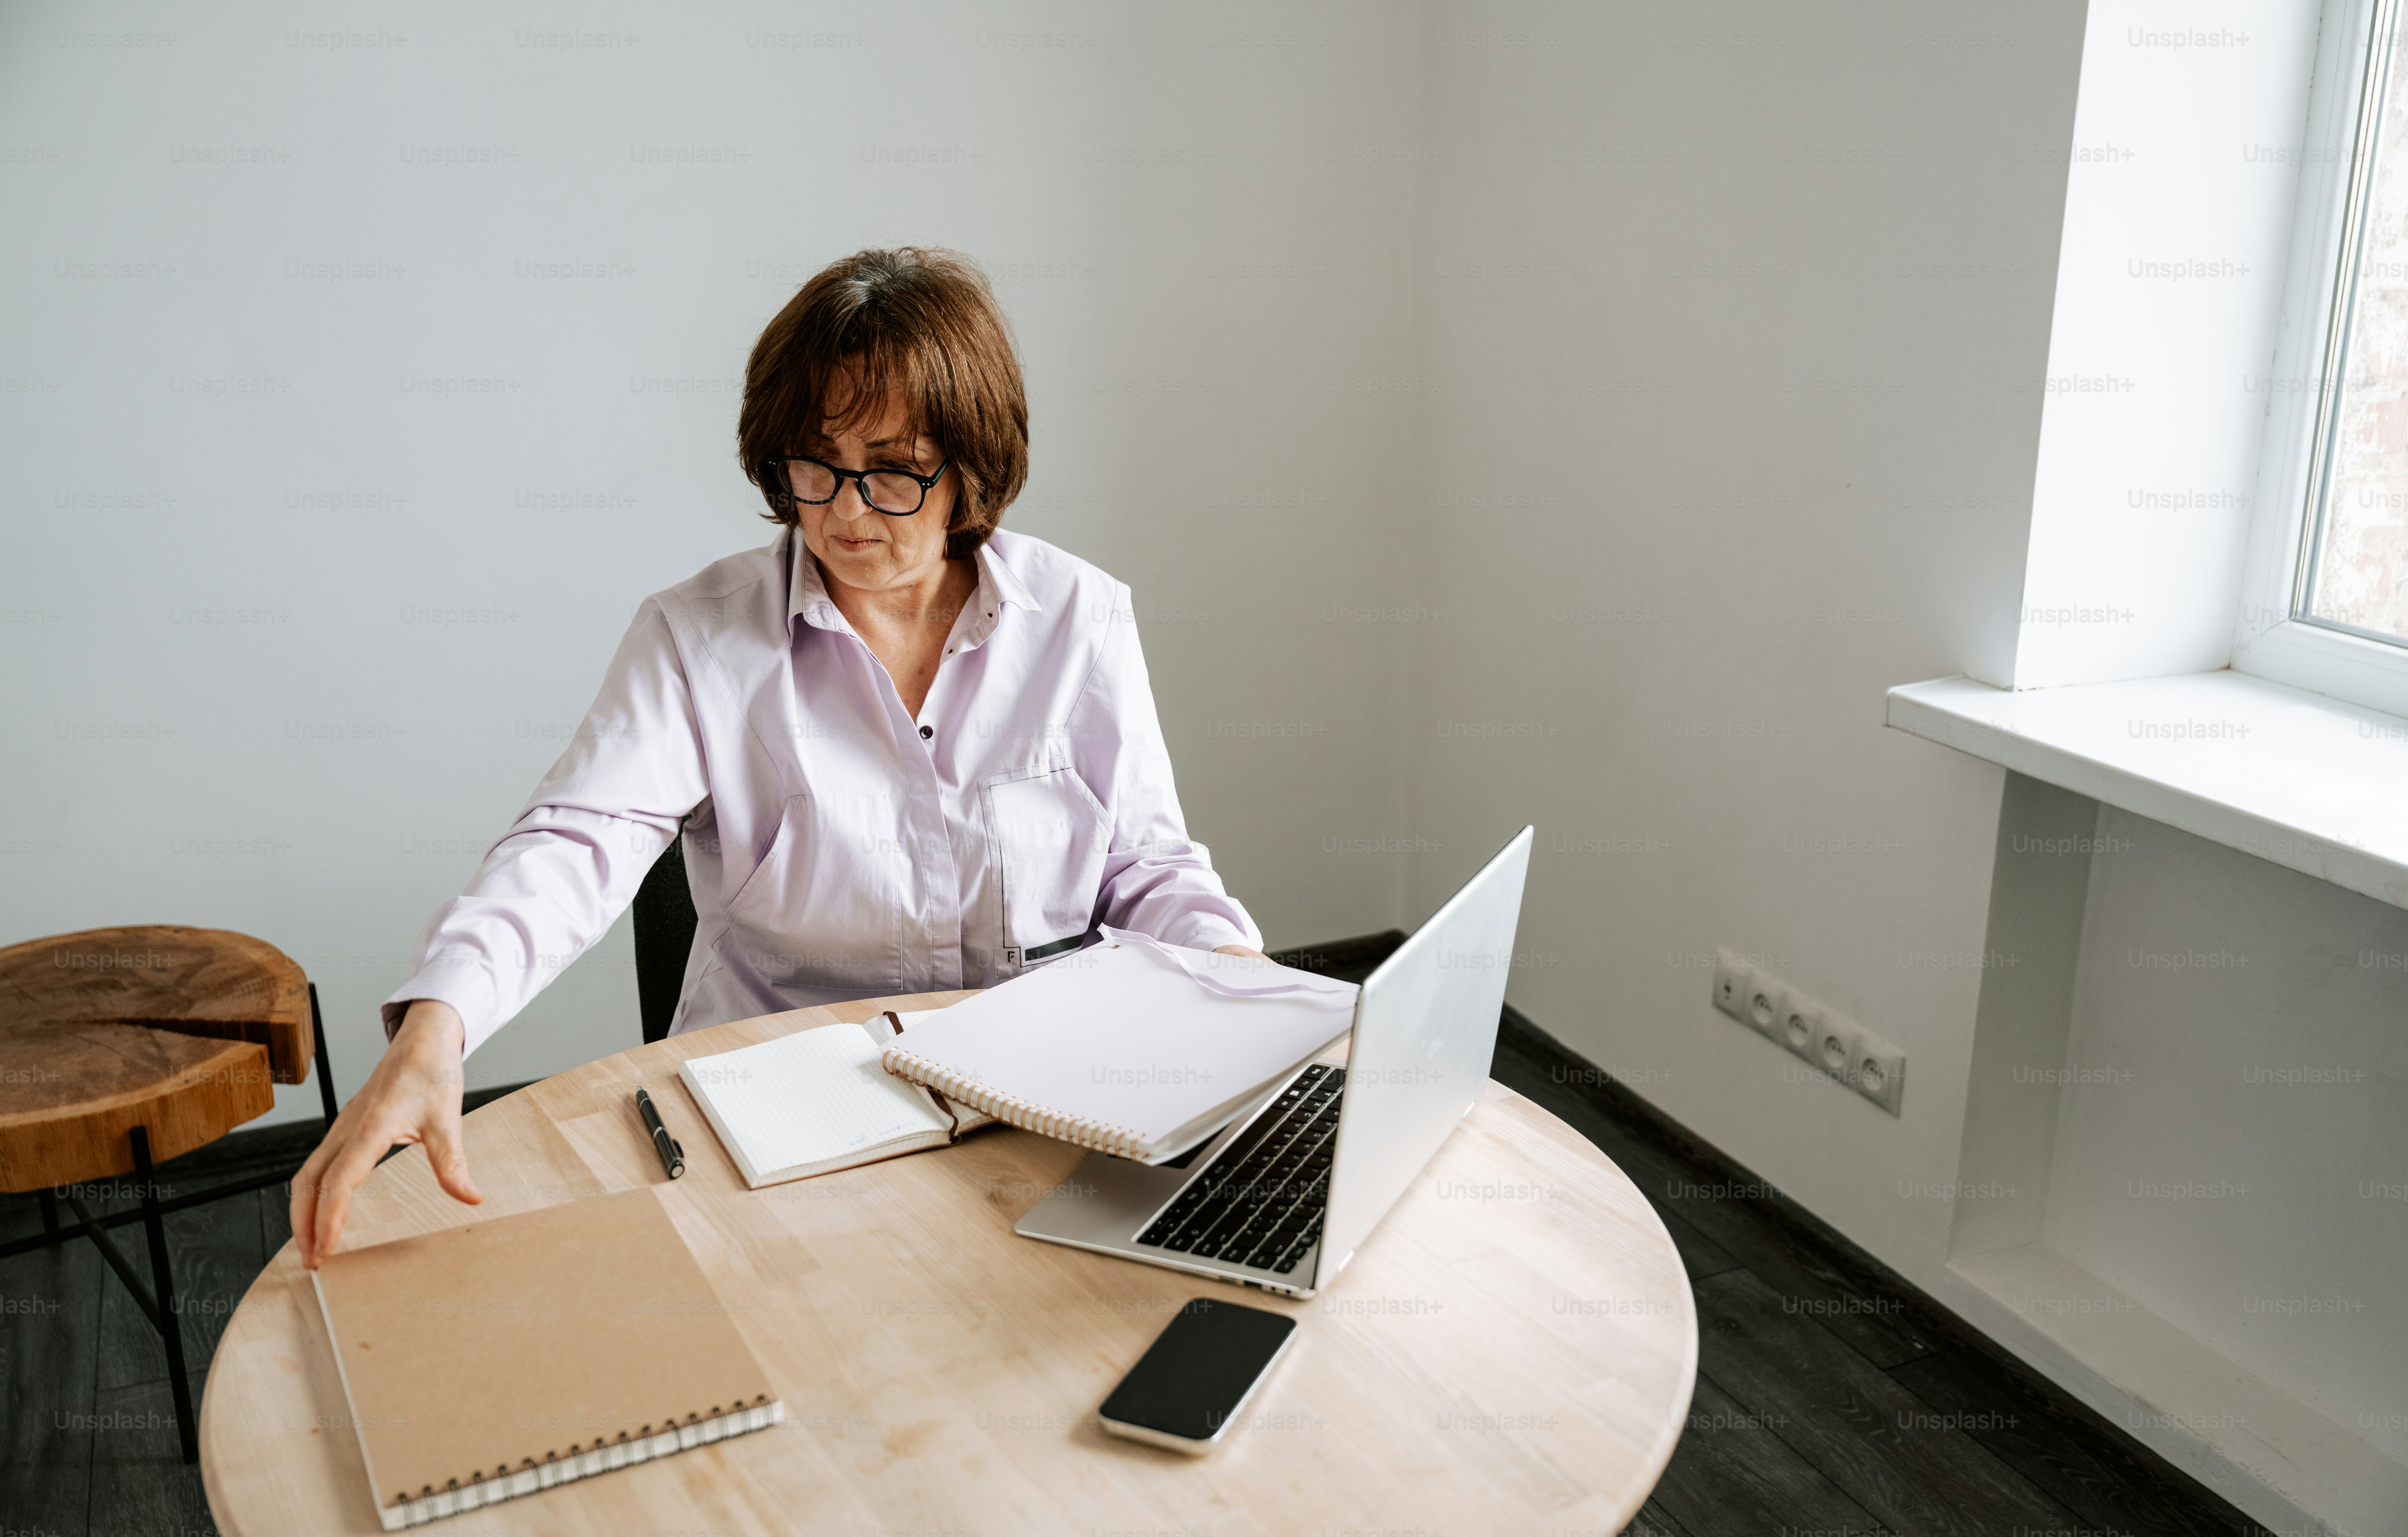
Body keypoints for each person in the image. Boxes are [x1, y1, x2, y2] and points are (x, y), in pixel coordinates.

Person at [292, 248, 1267, 1265]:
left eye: (892, 470)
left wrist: (1244, 988)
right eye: (817, 465)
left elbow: (1145, 865)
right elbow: (576, 843)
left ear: (971, 465)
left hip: (1026, 1099)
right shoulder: (699, 637)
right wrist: (438, 1023)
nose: (845, 510)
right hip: (777, 1123)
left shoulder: (1079, 618)